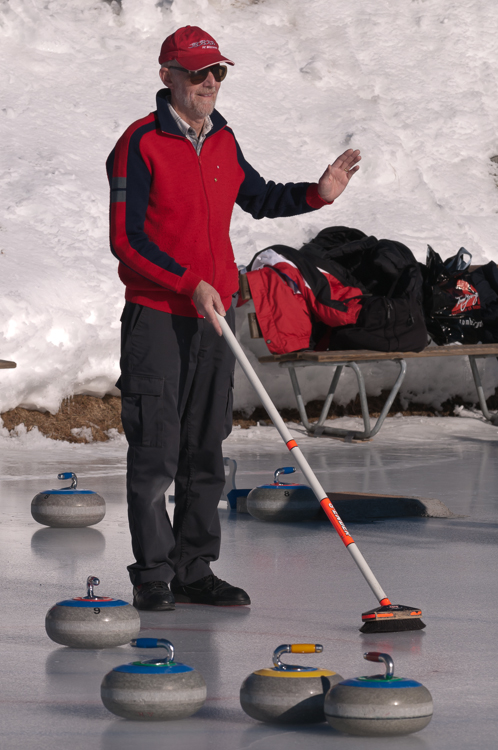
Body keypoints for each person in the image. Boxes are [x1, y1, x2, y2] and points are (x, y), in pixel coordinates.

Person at [106, 25, 361, 612]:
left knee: (205, 445)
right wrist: (185, 283)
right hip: (158, 318)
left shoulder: (222, 138)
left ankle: (194, 569)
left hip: (215, 317)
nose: (210, 83)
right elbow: (126, 240)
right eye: (198, 73)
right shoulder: (138, 144)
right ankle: (152, 574)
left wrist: (317, 194)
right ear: (167, 74)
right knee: (156, 449)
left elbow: (261, 196)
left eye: (218, 72)